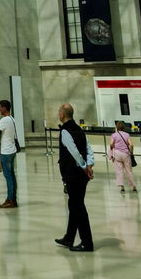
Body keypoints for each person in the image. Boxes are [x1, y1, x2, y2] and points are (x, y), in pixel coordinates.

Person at [54, 103, 94, 253]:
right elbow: (88, 149)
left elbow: (74, 151)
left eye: (59, 111)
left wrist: (84, 166)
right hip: (81, 175)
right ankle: (69, 237)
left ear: (63, 115)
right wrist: (89, 164)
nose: (58, 113)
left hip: (73, 174)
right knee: (74, 205)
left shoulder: (65, 131)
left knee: (78, 207)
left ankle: (87, 243)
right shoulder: (79, 129)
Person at [0, 100, 19, 208]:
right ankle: (12, 199)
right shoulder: (12, 119)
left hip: (6, 151)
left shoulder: (4, 120)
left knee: (8, 177)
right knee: (12, 176)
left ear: (4, 108)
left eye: (0, 107)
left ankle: (10, 200)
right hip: (11, 150)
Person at [108, 120, 137, 194]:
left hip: (117, 154)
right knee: (129, 171)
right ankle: (133, 186)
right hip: (126, 154)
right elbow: (131, 145)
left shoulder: (114, 135)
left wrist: (112, 148)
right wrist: (132, 153)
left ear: (116, 127)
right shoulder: (127, 134)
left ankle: (122, 187)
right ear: (124, 127)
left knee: (119, 171)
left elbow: (111, 144)